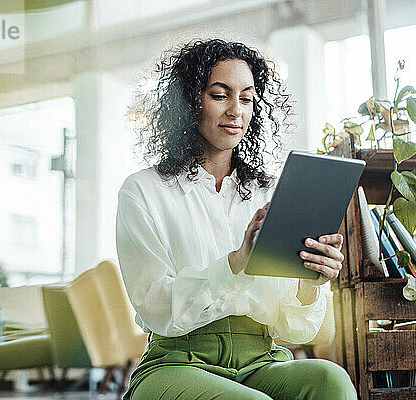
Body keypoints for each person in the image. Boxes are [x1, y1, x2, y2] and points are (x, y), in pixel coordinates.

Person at [116, 39, 357, 400]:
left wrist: (310, 280)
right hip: (177, 363)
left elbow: (295, 330)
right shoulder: (143, 191)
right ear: (189, 102)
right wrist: (237, 262)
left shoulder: (271, 193)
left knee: (330, 380)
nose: (236, 110)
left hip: (262, 360)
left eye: (246, 98)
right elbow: (156, 306)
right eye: (220, 95)